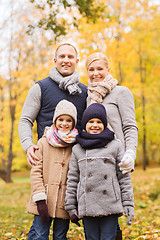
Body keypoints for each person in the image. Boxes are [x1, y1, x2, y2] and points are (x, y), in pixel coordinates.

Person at [85, 52, 138, 239]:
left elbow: (130, 126)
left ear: (108, 70)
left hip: (117, 161)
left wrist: (130, 152)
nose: (95, 73)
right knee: (98, 219)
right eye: (91, 69)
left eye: (100, 68)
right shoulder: (88, 97)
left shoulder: (121, 92)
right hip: (95, 163)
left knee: (111, 216)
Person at [65, 103, 134, 240]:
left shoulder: (115, 145)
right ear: (85, 124)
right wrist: (70, 205)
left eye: (99, 122)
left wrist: (128, 203)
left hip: (110, 204)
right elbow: (72, 178)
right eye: (91, 122)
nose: (95, 125)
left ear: (104, 124)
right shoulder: (77, 149)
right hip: (87, 205)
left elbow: (123, 177)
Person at [18, 41, 87, 167]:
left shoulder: (85, 91)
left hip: (77, 160)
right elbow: (25, 120)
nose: (66, 60)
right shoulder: (40, 88)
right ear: (55, 60)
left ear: (77, 61)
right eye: (62, 56)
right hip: (46, 158)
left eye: (70, 57)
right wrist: (28, 146)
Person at [27, 100, 79, 240]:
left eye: (69, 120)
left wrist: (74, 202)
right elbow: (36, 172)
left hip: (64, 202)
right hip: (43, 200)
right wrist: (40, 199)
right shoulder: (43, 142)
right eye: (60, 119)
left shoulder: (76, 146)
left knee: (60, 236)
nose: (64, 123)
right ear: (55, 121)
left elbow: (77, 176)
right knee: (40, 235)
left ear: (73, 123)